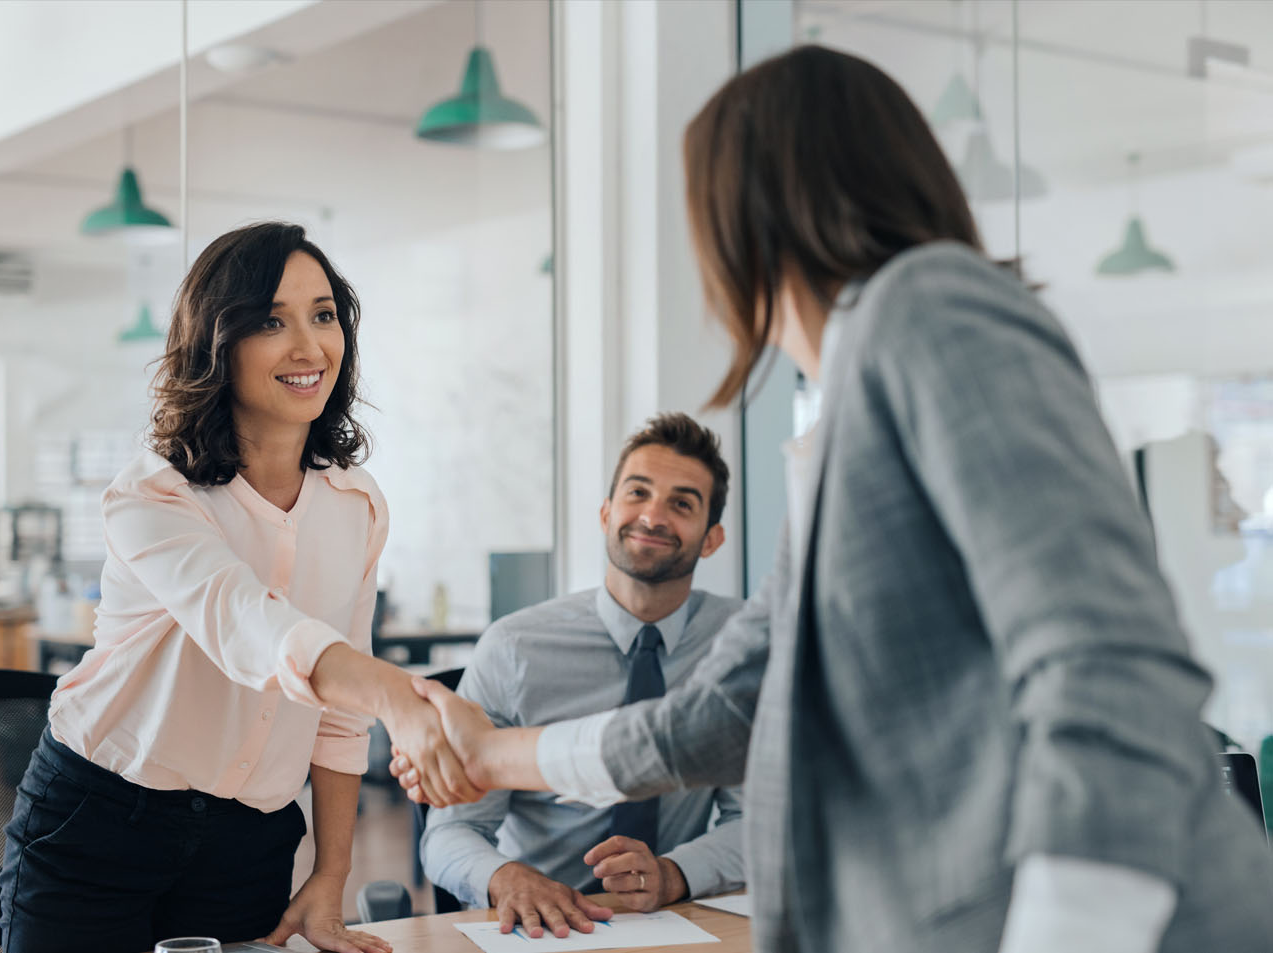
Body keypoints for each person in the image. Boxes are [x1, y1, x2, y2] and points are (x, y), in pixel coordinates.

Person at [393, 46, 1273, 953]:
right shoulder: (837, 428)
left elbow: (1106, 660)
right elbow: (727, 713)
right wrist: (491, 754)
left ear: (748, 211)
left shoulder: (932, 307)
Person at [0, 222, 478, 953]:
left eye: (323, 315)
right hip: (100, 819)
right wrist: (397, 698)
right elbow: (246, 624)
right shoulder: (154, 493)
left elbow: (336, 717)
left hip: (249, 840)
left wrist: (333, 868)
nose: (308, 346)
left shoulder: (357, 504)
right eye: (271, 322)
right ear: (217, 344)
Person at [422, 413, 745, 937]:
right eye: (637, 493)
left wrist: (674, 874)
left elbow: (761, 818)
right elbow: (450, 832)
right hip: (541, 930)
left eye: (682, 504)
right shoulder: (514, 648)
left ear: (712, 539)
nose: (653, 516)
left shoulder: (741, 646)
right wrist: (507, 879)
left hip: (675, 921)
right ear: (606, 513)